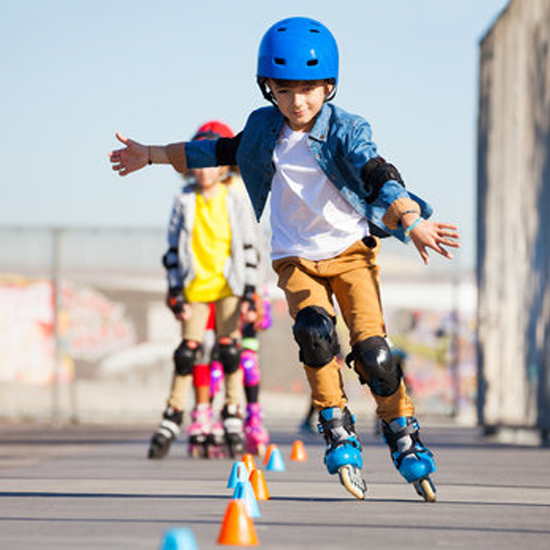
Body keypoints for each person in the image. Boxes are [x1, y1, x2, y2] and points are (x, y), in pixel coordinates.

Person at [109, 17, 460, 501]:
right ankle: (335, 423)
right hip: (295, 258)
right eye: (285, 90)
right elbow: (214, 151)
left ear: (329, 86)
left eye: (311, 90)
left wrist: (411, 220)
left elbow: (381, 175)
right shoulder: (261, 129)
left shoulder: (347, 129)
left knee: (374, 353)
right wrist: (149, 153)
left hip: (351, 255)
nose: (298, 102)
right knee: (315, 333)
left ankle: (401, 428)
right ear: (268, 88)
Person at [147, 120, 260, 460]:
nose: (205, 171)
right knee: (187, 353)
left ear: (224, 167)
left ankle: (231, 411)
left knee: (229, 352)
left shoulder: (235, 197)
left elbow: (249, 244)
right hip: (195, 286)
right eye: (199, 165)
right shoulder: (183, 201)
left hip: (230, 285)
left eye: (212, 165)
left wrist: (251, 292)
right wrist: (174, 291)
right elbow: (171, 249)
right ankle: (174, 412)